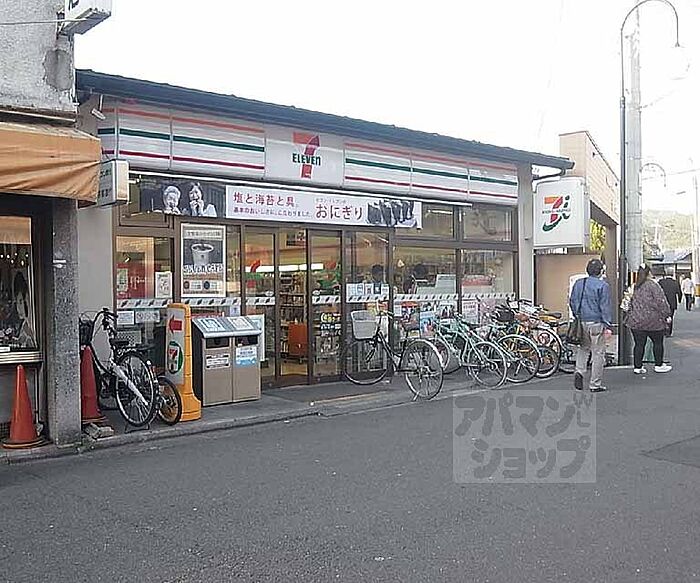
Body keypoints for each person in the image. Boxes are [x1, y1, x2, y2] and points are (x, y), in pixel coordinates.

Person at [569, 259, 613, 393]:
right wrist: (607, 323)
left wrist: (577, 314)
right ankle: (595, 384)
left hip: (581, 321)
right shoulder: (603, 286)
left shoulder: (579, 283)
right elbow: (604, 306)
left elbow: (572, 301)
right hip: (596, 322)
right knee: (598, 353)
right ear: (600, 271)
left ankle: (579, 371)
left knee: (583, 348)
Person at [625, 264, 672, 374]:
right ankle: (658, 365)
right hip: (653, 321)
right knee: (658, 342)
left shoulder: (634, 286)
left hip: (636, 321)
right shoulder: (653, 285)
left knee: (639, 344)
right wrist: (667, 314)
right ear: (649, 273)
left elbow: (627, 302)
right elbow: (661, 301)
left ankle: (638, 367)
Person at [658, 268, 682, 335]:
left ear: (666, 273)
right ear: (672, 274)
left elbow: (657, 291)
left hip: (662, 302)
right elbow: (679, 292)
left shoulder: (661, 282)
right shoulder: (675, 282)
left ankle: (663, 330)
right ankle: (669, 331)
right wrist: (679, 299)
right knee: (670, 316)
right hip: (672, 302)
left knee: (663, 316)